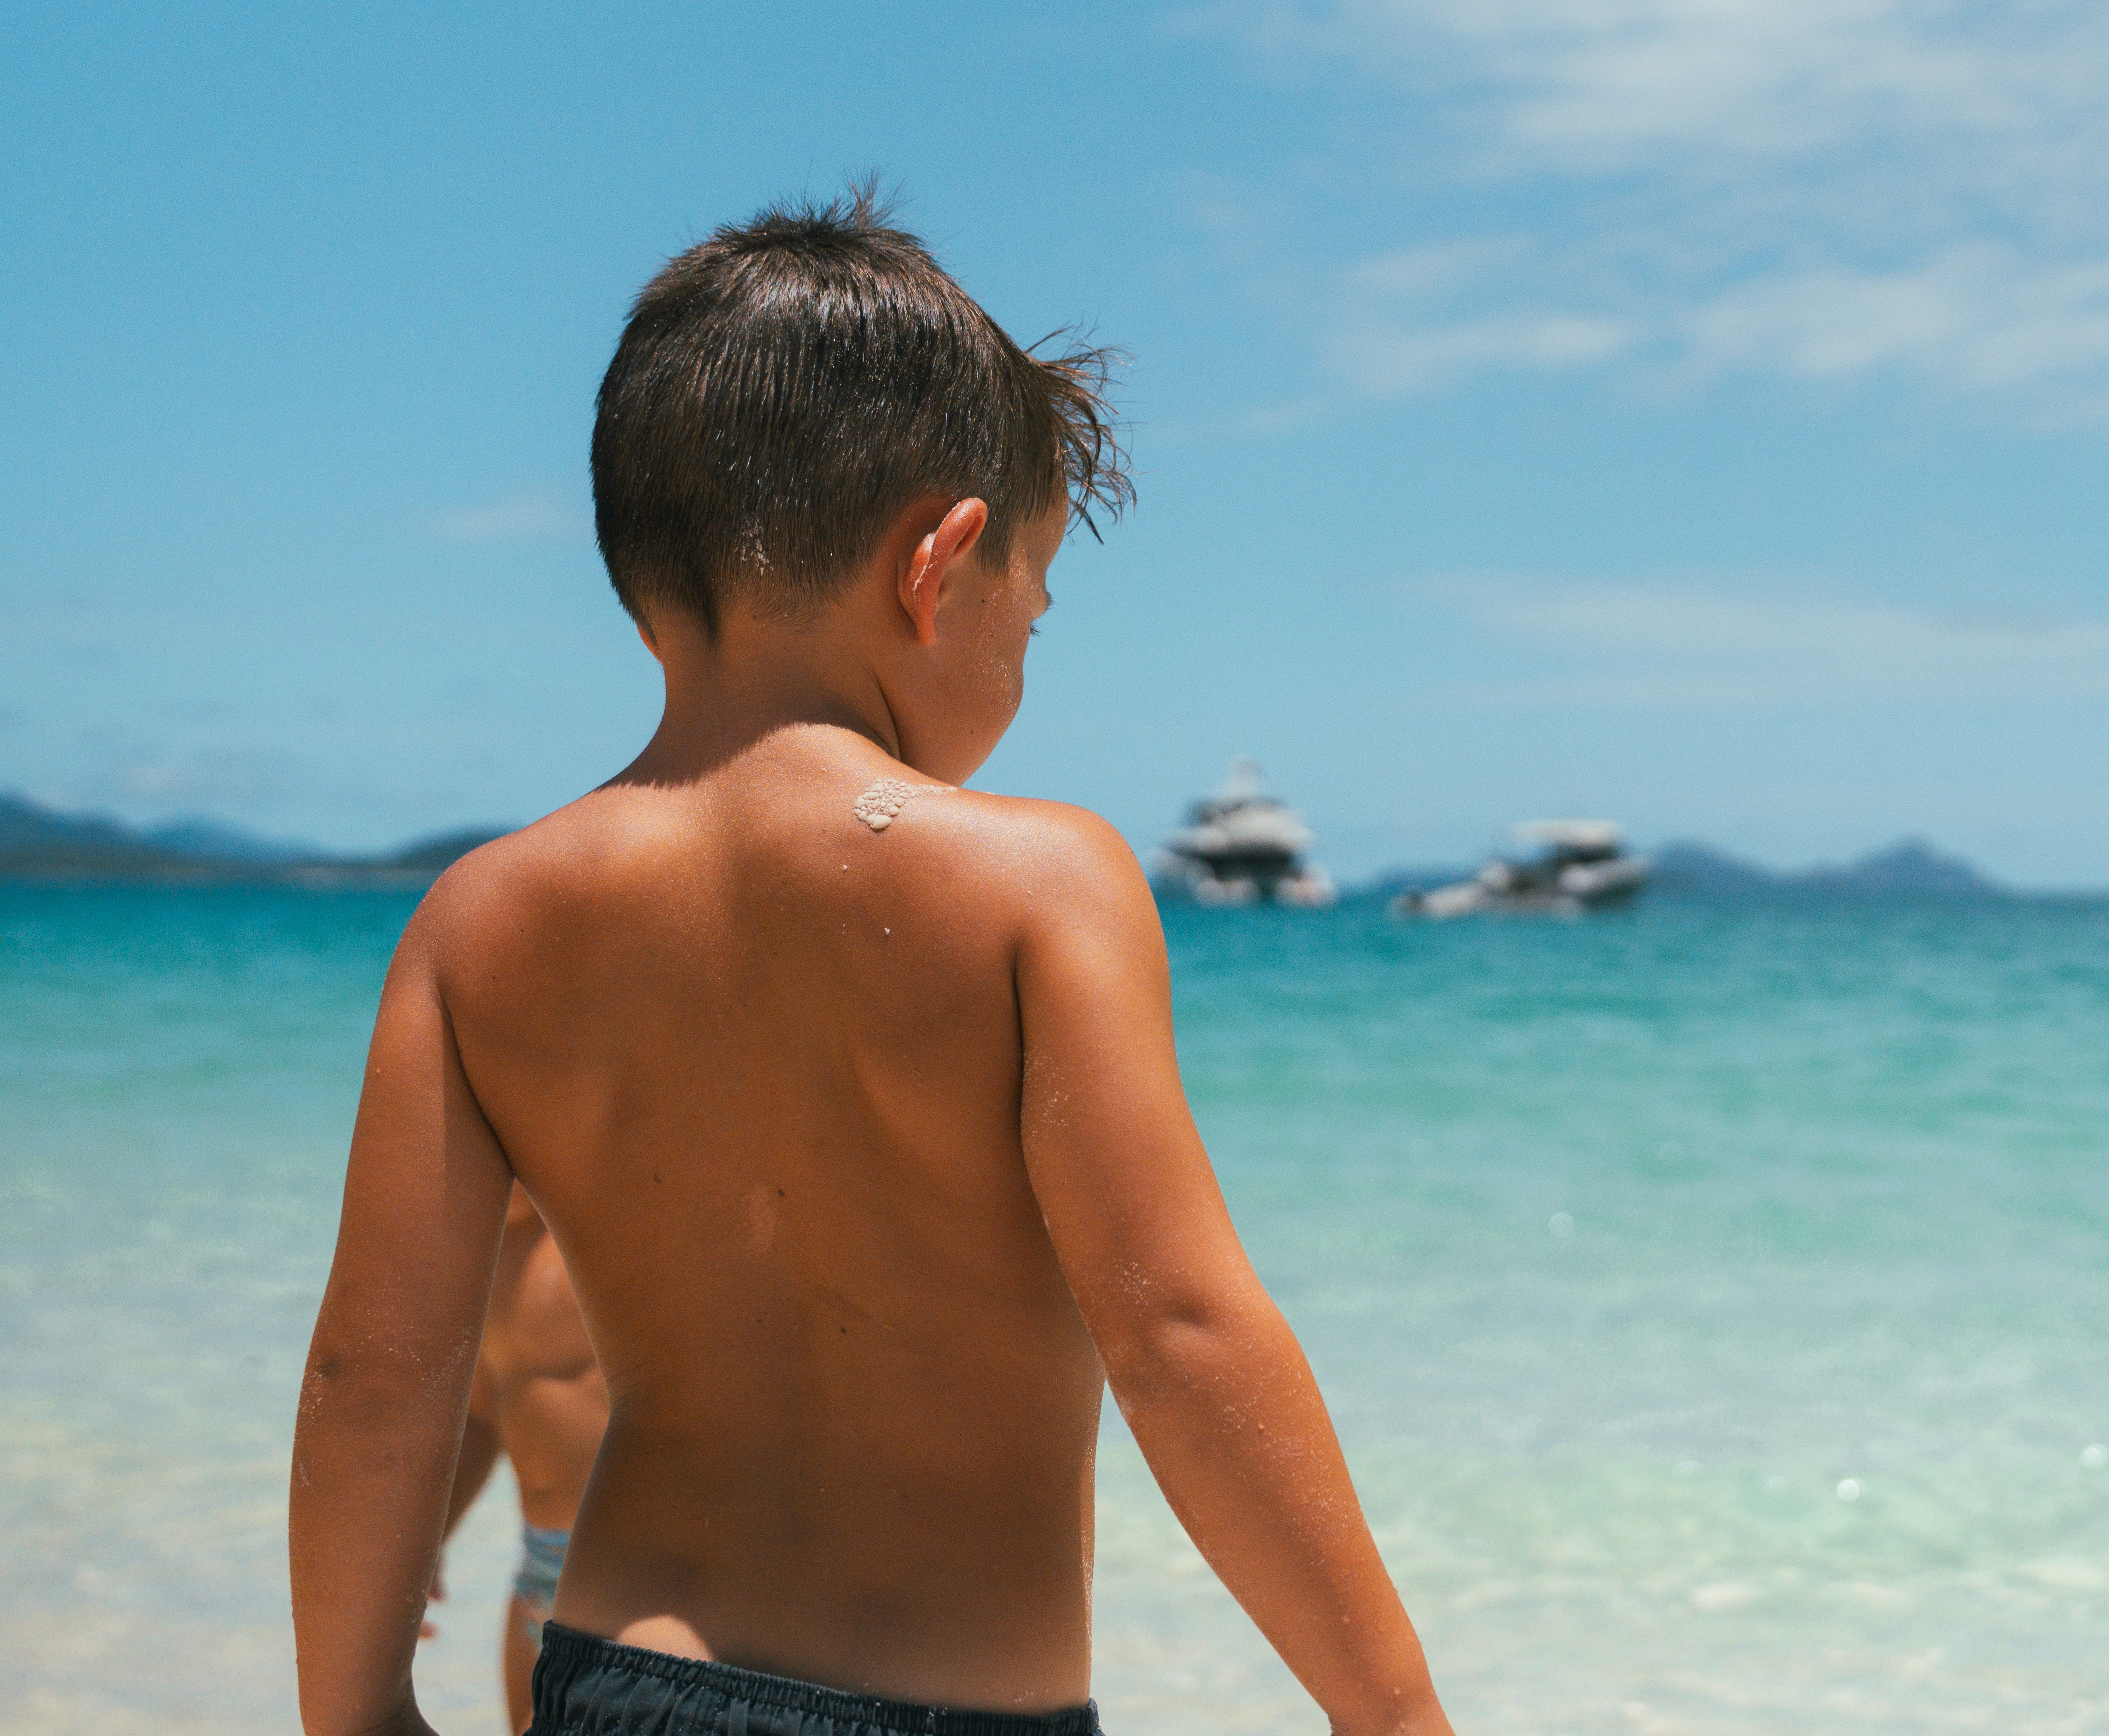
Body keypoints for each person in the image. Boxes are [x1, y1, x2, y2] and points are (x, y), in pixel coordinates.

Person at [289, 185, 1456, 1736]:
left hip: (618, 1685)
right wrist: (1395, 1716)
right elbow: (1179, 1334)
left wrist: (355, 1709)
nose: (1022, 661)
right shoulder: (1044, 879)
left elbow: (377, 1369)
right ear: (940, 563)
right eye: (1029, 616)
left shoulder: (480, 920)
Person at [431, 1186, 610, 1733]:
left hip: (627, 1572)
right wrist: (429, 1538)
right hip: (539, 1575)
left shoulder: (603, 1242)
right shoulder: (487, 1259)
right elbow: (484, 1415)